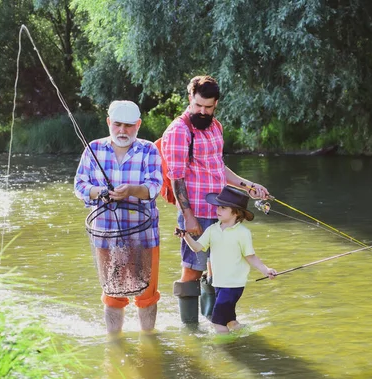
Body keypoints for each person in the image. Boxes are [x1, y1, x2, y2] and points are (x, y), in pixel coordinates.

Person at [161, 75, 270, 324]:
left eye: (208, 107)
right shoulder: (178, 131)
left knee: (219, 269)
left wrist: (248, 186)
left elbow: (218, 168)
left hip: (223, 212)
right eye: (198, 105)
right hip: (195, 211)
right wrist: (188, 217)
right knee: (192, 268)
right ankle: (190, 330)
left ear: (216, 104)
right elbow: (176, 178)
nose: (202, 111)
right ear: (190, 98)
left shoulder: (216, 126)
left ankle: (215, 321)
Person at [74, 100, 163, 334]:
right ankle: (114, 343)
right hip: (105, 236)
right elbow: (80, 186)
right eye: (117, 125)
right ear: (108, 123)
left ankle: (148, 340)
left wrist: (131, 190)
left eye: (129, 125)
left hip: (144, 235)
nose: (123, 131)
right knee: (112, 295)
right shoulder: (93, 148)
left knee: (147, 295)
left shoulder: (149, 150)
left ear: (138, 125)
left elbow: (154, 187)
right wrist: (101, 192)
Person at [175, 185, 277, 333]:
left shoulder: (243, 233)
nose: (217, 210)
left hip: (233, 285)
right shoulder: (212, 230)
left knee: (217, 323)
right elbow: (197, 247)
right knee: (230, 321)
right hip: (219, 284)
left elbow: (251, 257)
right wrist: (186, 236)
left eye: (223, 208)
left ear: (235, 212)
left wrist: (266, 270)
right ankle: (244, 334)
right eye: (218, 207)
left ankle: (224, 349)